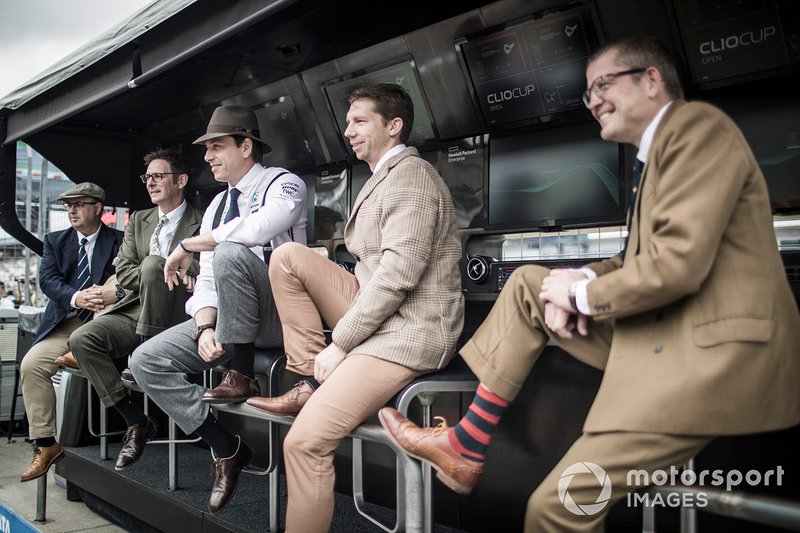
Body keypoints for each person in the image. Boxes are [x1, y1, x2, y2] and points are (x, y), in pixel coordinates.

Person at [379, 36, 800, 532]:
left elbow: (678, 263)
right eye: (588, 92)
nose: (594, 99)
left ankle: (467, 445)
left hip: (709, 360)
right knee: (530, 286)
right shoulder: (658, 152)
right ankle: (467, 443)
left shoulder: (696, 128)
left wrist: (580, 296)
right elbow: (636, 258)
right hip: (672, 335)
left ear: (650, 80)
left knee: (556, 511)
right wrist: (574, 278)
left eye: (604, 83)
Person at [245, 83, 464, 532]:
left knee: (304, 445)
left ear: (394, 126)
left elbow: (398, 276)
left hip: (408, 333)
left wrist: (340, 343)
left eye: (360, 121)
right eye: (348, 122)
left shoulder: (412, 177)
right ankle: (308, 379)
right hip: (380, 316)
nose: (349, 131)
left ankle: (317, 379)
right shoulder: (384, 175)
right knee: (286, 257)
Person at [129, 105, 307, 513]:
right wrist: (205, 326)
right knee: (146, 360)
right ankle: (226, 447)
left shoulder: (284, 183)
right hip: (228, 322)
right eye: (206, 149)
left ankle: (241, 372)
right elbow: (207, 279)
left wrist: (189, 244)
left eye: (217, 147)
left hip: (281, 319)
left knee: (227, 248)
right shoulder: (216, 206)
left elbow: (259, 228)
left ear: (246, 146)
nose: (208, 156)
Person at [67, 149, 202, 471]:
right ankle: (136, 421)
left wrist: (161, 270)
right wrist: (159, 272)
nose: (151, 183)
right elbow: (124, 270)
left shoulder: (203, 219)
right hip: (134, 308)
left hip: (178, 312)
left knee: (156, 263)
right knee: (82, 340)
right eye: (148, 178)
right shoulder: (140, 219)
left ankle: (140, 356)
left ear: (180, 181)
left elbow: (201, 268)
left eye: (158, 176)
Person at [19, 182, 123, 482]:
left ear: (98, 208)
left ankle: (83, 350)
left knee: (116, 281)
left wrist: (100, 294)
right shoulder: (55, 240)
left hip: (105, 319)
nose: (72, 210)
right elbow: (48, 281)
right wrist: (78, 297)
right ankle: (46, 444)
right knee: (31, 365)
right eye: (68, 205)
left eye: (79, 204)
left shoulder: (120, 239)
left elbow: (127, 280)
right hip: (66, 322)